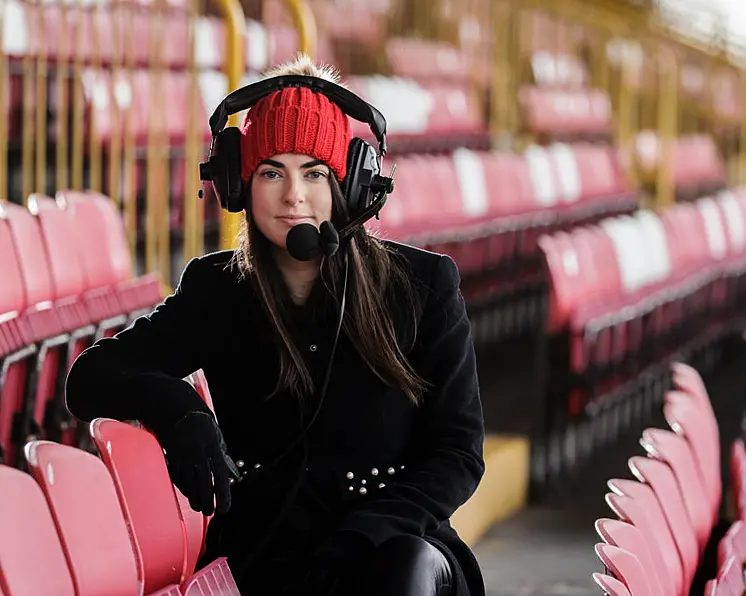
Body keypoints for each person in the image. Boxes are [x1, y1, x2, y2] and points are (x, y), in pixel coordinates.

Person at [65, 54, 486, 596]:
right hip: (267, 554)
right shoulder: (216, 288)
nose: (294, 196)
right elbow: (89, 378)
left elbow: (458, 451)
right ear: (238, 184)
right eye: (271, 172)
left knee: (401, 569)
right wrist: (178, 409)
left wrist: (362, 535)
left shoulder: (424, 285)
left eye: (313, 172)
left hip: (394, 550)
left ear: (349, 186)